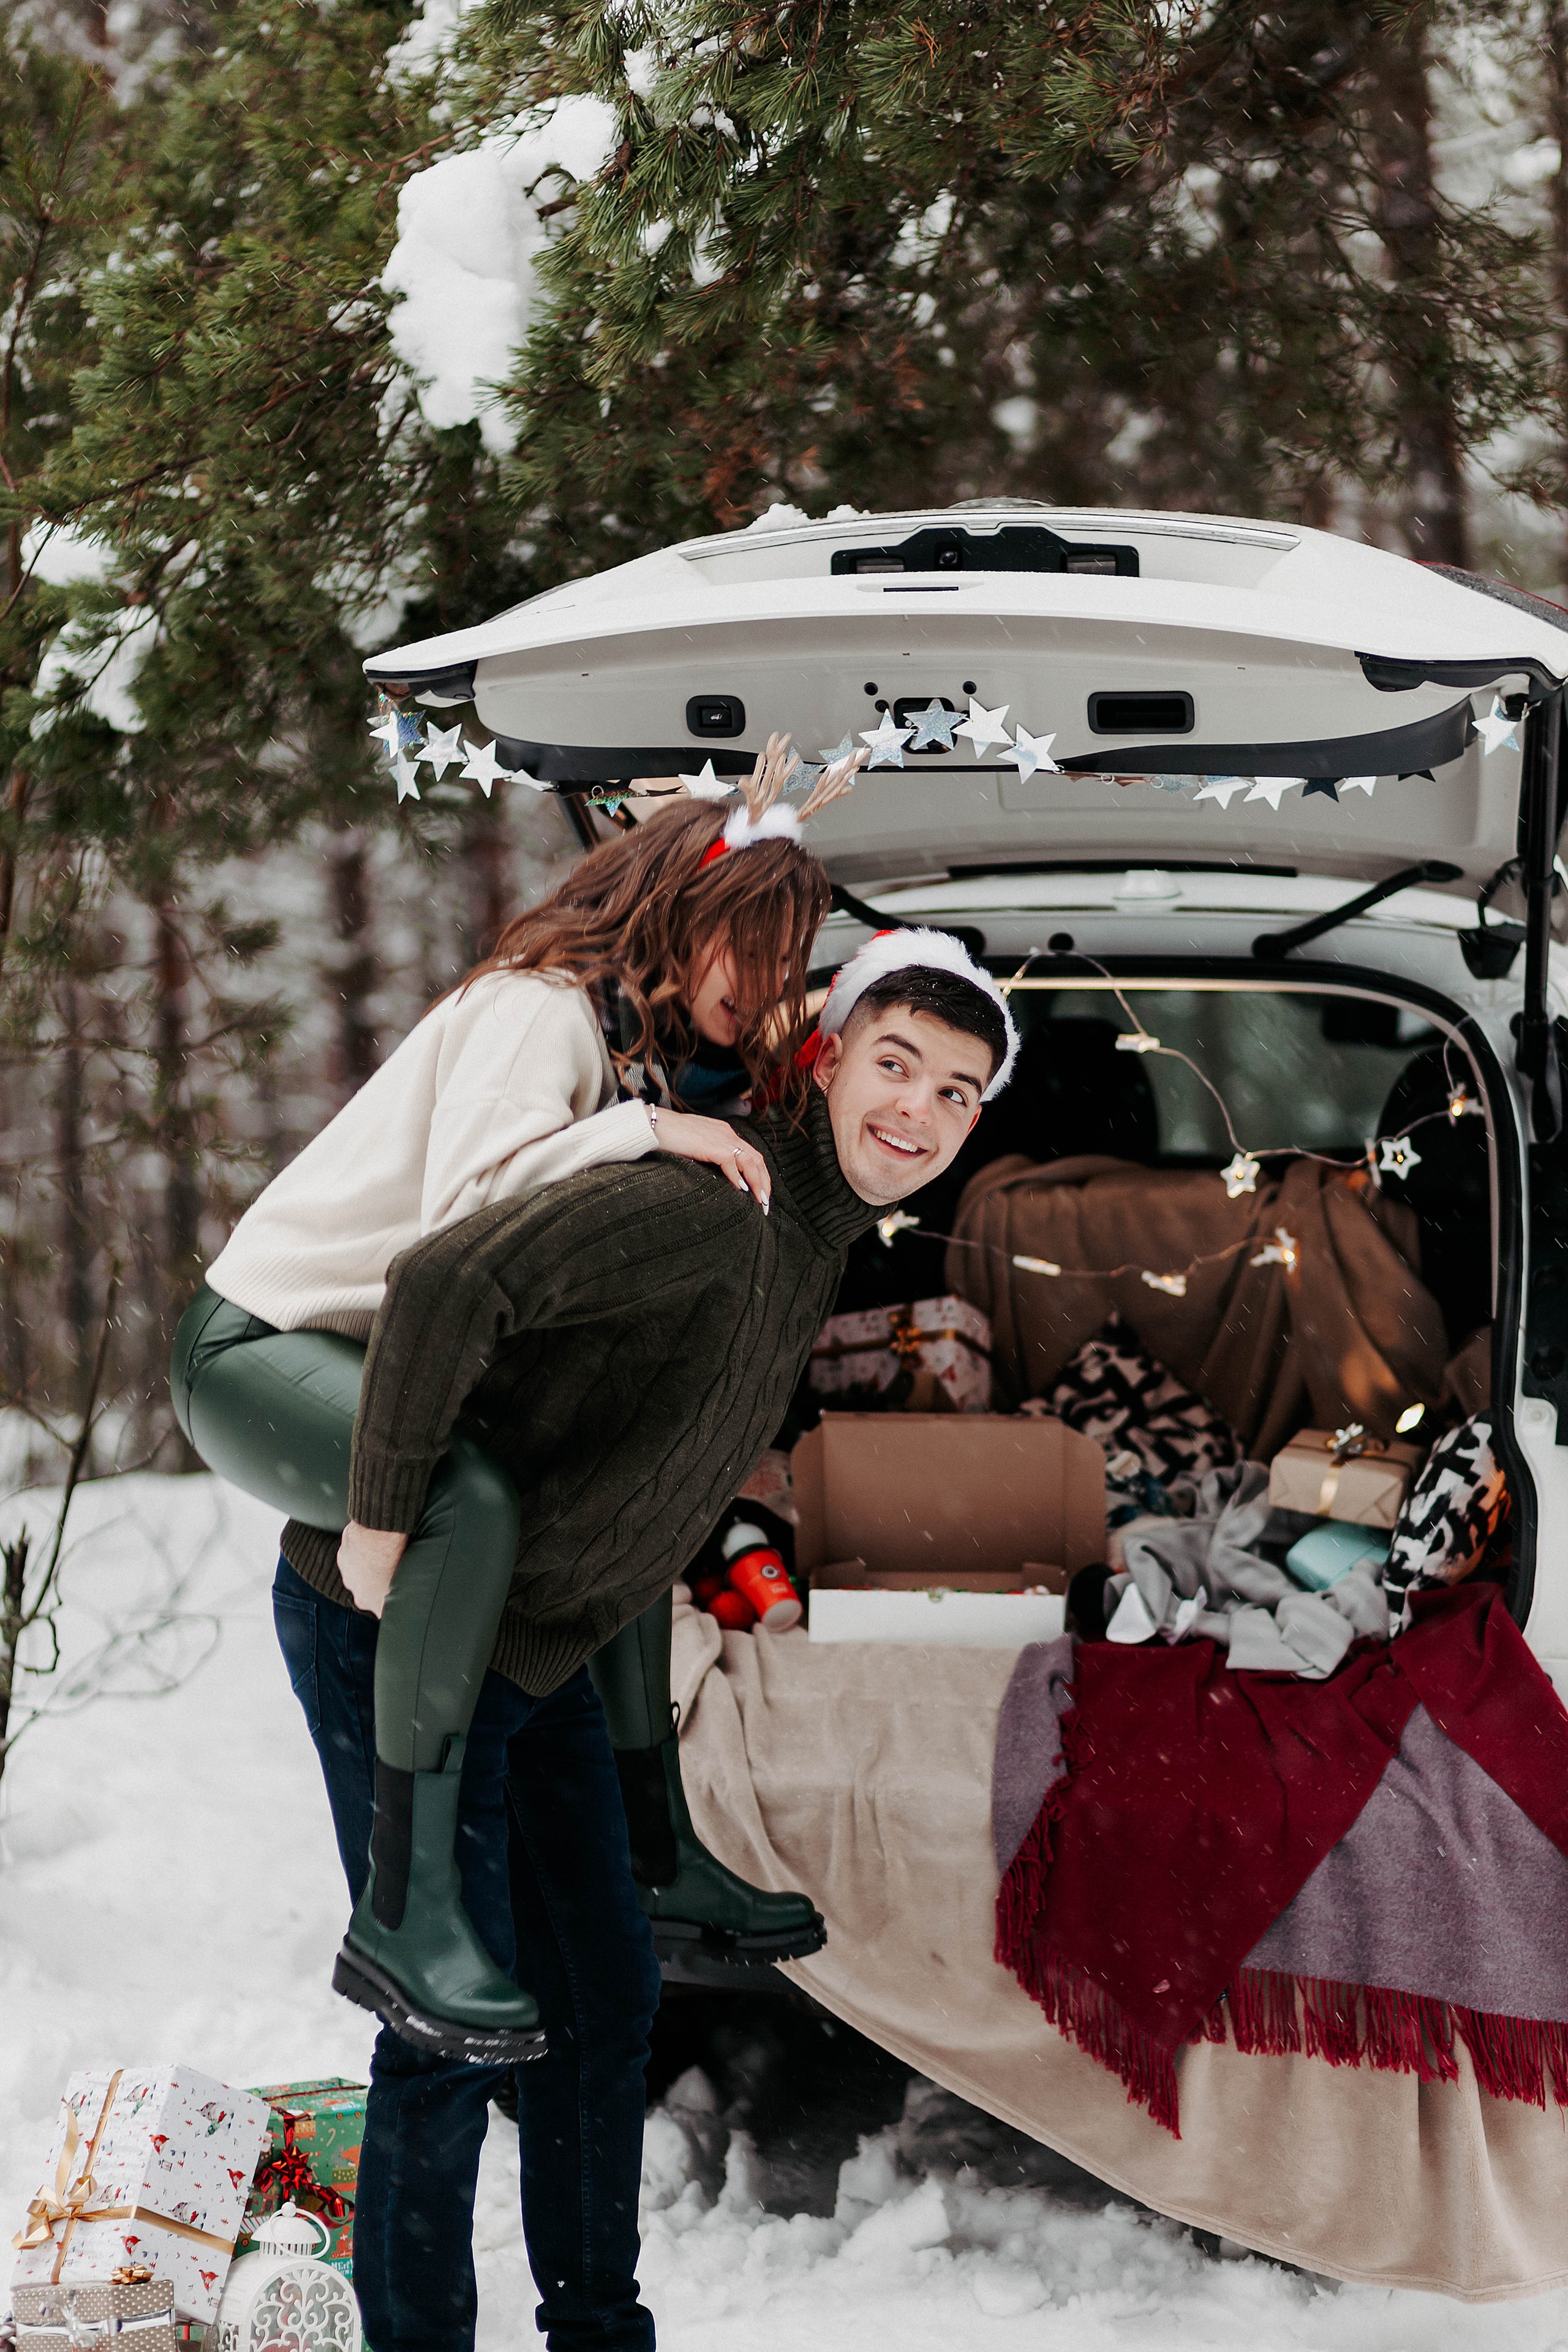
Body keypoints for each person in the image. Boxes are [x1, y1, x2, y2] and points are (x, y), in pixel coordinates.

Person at [257, 932, 1017, 2352]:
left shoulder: (805, 1240)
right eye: (895, 1062)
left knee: (601, 1998)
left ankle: (598, 2329)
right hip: (400, 1618)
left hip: (533, 1643)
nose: (916, 1110)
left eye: (958, 1092)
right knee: (450, 2026)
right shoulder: (714, 1206)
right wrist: (377, 1521)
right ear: (827, 1055)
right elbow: (439, 1288)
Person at [172, 748, 862, 2065]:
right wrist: (645, 1136)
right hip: (254, 1345)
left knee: (601, 1505)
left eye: (789, 963)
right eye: (753, 951)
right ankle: (405, 1909)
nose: (765, 988)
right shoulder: (535, 1011)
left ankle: (657, 1849)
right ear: (682, 914)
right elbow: (463, 1223)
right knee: (469, 1498)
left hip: (352, 1355)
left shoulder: (624, 1049)